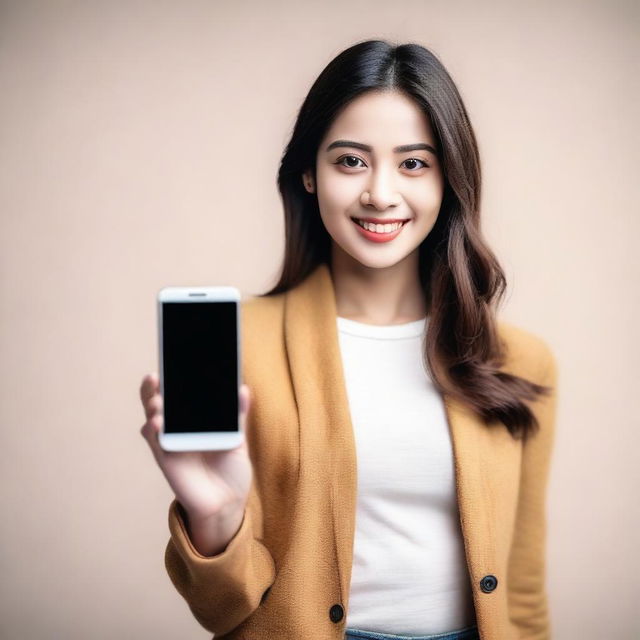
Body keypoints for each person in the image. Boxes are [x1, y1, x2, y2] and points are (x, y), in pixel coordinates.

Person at [139, 39, 558, 640]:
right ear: (308, 173)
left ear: (449, 181)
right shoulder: (238, 345)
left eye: (414, 163)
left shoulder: (519, 361)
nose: (381, 194)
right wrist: (216, 515)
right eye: (351, 161)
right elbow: (221, 610)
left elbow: (522, 592)